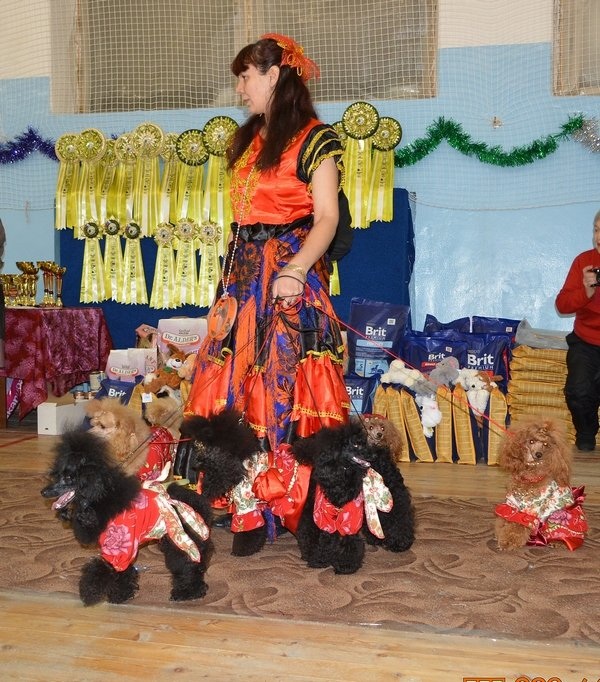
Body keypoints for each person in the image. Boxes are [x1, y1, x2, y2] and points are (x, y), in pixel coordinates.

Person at [182, 34, 350, 532]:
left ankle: (291, 498)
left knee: (283, 378)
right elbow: (242, 220)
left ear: (274, 75)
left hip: (288, 274)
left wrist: (296, 269)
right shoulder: (248, 139)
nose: (240, 88)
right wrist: (227, 283)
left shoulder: (316, 139)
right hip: (243, 278)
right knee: (230, 378)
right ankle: (238, 496)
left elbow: (327, 217)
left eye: (245, 77)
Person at [555, 209, 600, 451]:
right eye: (596, 230)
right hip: (585, 341)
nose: (598, 237)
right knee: (578, 391)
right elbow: (562, 305)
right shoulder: (584, 261)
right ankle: (587, 433)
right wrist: (586, 292)